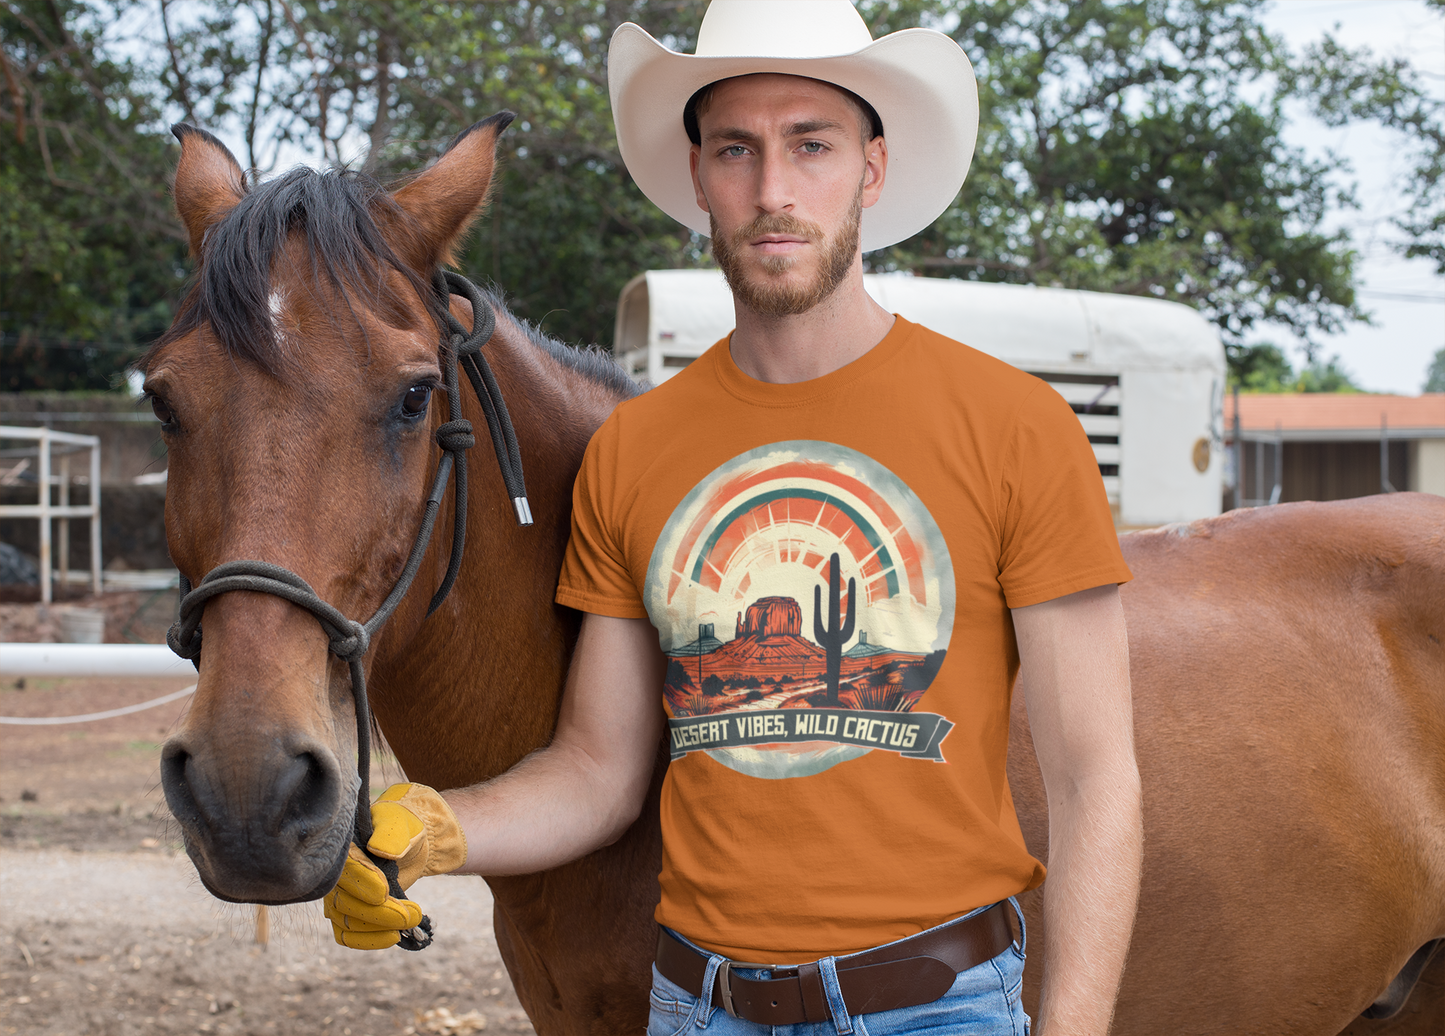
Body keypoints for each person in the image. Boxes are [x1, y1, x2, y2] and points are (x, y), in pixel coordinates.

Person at [324, 2, 1144, 1033]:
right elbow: (597, 773)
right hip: (697, 1010)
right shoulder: (635, 449)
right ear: (697, 181)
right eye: (735, 150)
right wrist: (440, 825)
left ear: (870, 171)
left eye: (811, 145)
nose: (772, 191)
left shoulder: (1016, 426)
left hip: (937, 1010)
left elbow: (1092, 781)